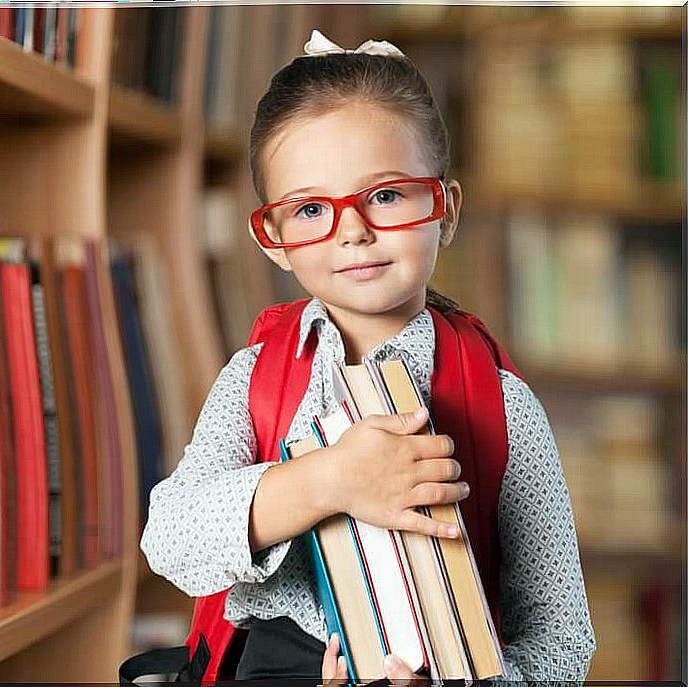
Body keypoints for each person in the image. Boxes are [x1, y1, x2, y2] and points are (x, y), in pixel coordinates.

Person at [140, 29, 596, 682]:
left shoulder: (503, 406)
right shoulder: (256, 379)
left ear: (445, 208)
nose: (353, 229)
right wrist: (331, 480)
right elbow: (170, 538)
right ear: (272, 237)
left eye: (385, 195)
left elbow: (561, 637)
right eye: (311, 208)